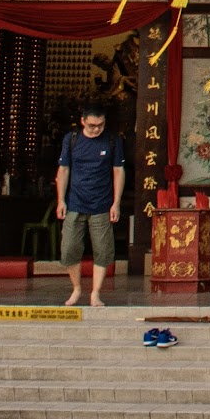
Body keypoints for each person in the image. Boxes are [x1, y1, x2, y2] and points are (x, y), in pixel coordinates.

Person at [56, 103, 125, 307]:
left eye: (100, 125)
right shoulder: (72, 139)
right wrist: (60, 200)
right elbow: (64, 170)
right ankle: (77, 288)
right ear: (83, 122)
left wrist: (116, 203)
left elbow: (118, 171)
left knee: (103, 250)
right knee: (69, 248)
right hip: (74, 203)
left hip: (102, 204)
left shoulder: (112, 140)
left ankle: (95, 293)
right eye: (92, 125)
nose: (96, 129)